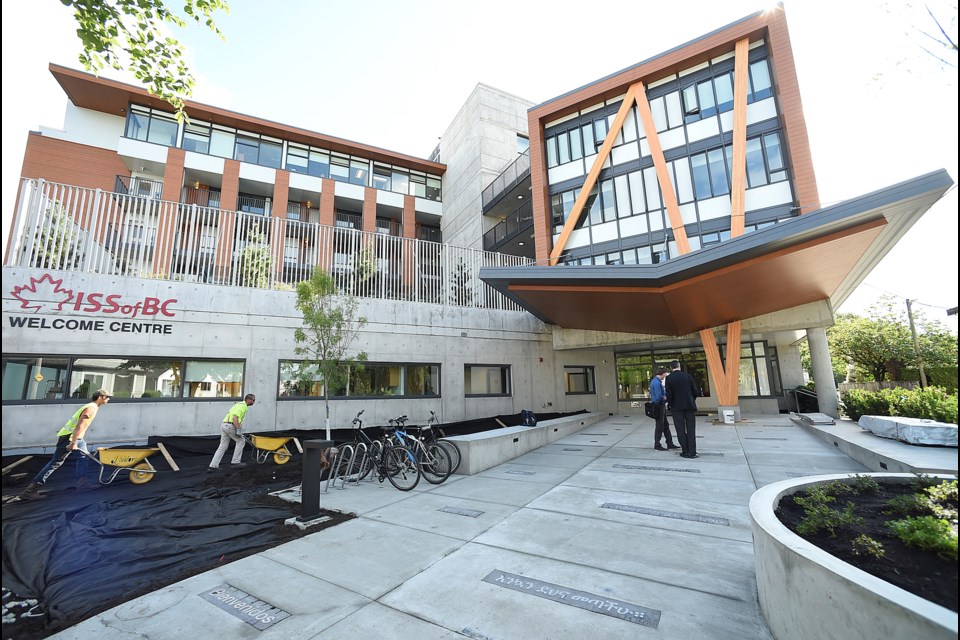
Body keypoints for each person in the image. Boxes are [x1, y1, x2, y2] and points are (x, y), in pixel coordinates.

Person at [19, 388, 112, 500]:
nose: (109, 399)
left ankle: (82, 485)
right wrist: (73, 443)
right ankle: (30, 491)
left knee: (83, 458)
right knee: (56, 463)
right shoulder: (90, 409)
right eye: (107, 397)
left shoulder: (93, 407)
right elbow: (79, 426)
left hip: (75, 438)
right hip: (70, 438)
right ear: (100, 397)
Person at [207, 394, 255, 472]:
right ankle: (235, 462)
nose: (253, 402)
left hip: (224, 425)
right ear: (249, 400)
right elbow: (235, 417)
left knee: (222, 446)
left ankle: (213, 466)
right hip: (230, 426)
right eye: (253, 400)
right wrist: (238, 429)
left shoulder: (238, 404)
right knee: (241, 441)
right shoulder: (243, 406)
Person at [665, 360, 700, 458]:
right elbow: (695, 391)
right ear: (679, 366)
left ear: (671, 368)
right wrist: (691, 400)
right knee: (691, 429)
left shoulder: (669, 378)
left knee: (680, 429)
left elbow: (669, 394)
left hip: (676, 407)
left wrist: (670, 405)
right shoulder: (688, 376)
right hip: (690, 406)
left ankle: (685, 451)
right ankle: (692, 451)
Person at [649, 368, 680, 451]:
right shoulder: (656, 383)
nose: (665, 376)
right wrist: (666, 397)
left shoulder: (656, 382)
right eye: (665, 374)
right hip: (659, 406)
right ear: (662, 373)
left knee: (665, 425)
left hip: (660, 406)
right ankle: (657, 444)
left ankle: (669, 443)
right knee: (660, 426)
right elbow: (659, 397)